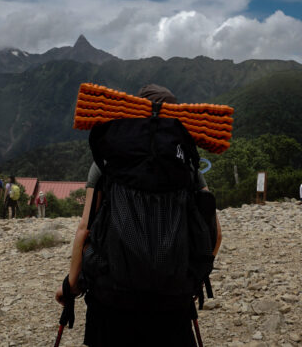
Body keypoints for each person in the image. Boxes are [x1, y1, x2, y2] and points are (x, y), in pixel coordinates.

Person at [56, 84, 222, 347]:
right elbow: (213, 233)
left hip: (112, 299)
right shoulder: (187, 165)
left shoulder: (109, 161)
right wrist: (192, 278)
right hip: (173, 300)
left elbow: (84, 229)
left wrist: (71, 284)